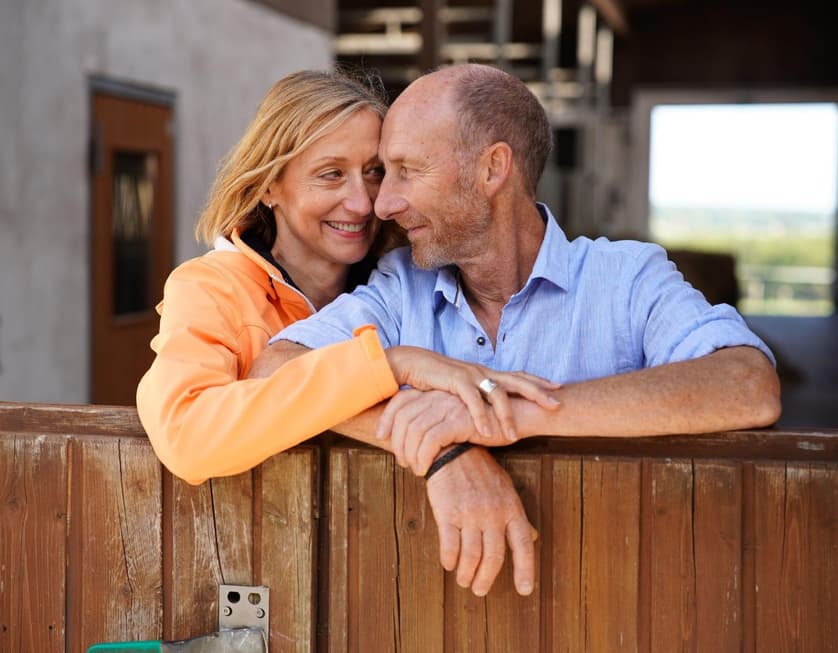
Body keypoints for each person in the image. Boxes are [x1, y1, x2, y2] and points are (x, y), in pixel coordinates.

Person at [253, 63, 783, 596]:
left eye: (407, 171)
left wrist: (498, 416)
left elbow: (748, 384)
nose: (383, 204)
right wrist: (445, 449)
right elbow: (271, 372)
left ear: (492, 169)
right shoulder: (400, 288)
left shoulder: (626, 278)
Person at [136, 68, 556, 596]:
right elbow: (189, 436)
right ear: (269, 184)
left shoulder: (415, 282)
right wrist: (397, 372)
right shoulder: (212, 287)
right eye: (331, 174)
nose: (363, 203)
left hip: (409, 580)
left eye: (376, 172)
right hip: (254, 577)